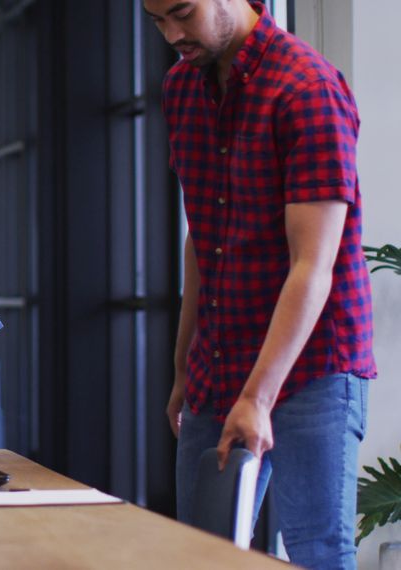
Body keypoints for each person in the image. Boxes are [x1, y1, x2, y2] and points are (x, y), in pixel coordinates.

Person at [147, 0, 376, 567]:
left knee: (317, 551)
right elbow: (203, 237)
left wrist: (258, 396)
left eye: (183, 13)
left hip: (313, 365)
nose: (173, 33)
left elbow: (311, 266)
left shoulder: (307, 88)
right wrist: (182, 368)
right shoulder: (182, 87)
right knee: (201, 555)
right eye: (157, 20)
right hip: (219, 360)